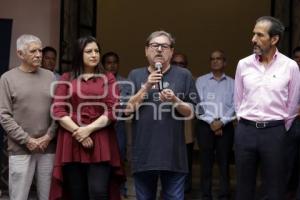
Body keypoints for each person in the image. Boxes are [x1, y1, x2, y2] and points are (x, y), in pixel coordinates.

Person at [125, 30, 201, 200]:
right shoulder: (135, 75)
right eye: (154, 45)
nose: (159, 50)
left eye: (164, 46)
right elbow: (126, 109)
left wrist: (175, 100)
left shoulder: (184, 75)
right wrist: (146, 87)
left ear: (171, 51)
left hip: (173, 154)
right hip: (144, 154)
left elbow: (193, 112)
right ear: (146, 50)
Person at [49, 36, 124, 200]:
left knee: (98, 192)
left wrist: (88, 130)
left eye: (97, 51)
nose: (94, 55)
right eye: (89, 51)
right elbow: (58, 110)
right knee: (77, 193)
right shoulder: (66, 78)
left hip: (100, 138)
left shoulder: (108, 78)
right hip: (72, 139)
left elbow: (113, 110)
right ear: (79, 54)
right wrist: (79, 132)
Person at [234, 16, 300, 200]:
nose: (253, 39)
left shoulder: (290, 66)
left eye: (259, 35)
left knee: (274, 188)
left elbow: (293, 104)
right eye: (253, 33)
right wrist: (244, 122)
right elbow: (238, 100)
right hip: (246, 131)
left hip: (275, 132)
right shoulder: (243, 64)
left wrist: (279, 129)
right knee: (243, 188)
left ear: (274, 39)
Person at [0, 34, 57, 200]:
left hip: (48, 147)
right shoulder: (7, 79)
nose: (39, 54)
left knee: (47, 196)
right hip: (20, 148)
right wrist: (27, 140)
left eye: (40, 50)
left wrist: (49, 136)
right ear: (20, 53)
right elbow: (4, 115)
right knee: (19, 196)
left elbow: (58, 110)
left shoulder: (50, 77)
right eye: (33, 51)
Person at [195, 50, 235, 200]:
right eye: (212, 59)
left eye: (219, 59)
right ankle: (206, 195)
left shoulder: (233, 83)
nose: (215, 61)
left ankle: (224, 195)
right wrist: (212, 122)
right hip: (205, 126)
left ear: (225, 62)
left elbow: (235, 106)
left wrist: (221, 122)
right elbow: (199, 105)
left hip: (226, 126)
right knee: (206, 163)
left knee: (224, 162)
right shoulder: (201, 81)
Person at [102, 51, 131, 198]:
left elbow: (126, 107)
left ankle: (121, 189)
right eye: (108, 62)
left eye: (115, 62)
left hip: (118, 126)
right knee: (103, 160)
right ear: (103, 65)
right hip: (101, 127)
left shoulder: (126, 83)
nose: (112, 65)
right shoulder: (98, 81)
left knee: (120, 157)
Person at [171, 52, 194, 193]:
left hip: (185, 132)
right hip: (166, 133)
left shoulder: (191, 80)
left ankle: (186, 191)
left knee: (186, 165)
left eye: (182, 64)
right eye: (175, 63)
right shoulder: (164, 80)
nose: (179, 66)